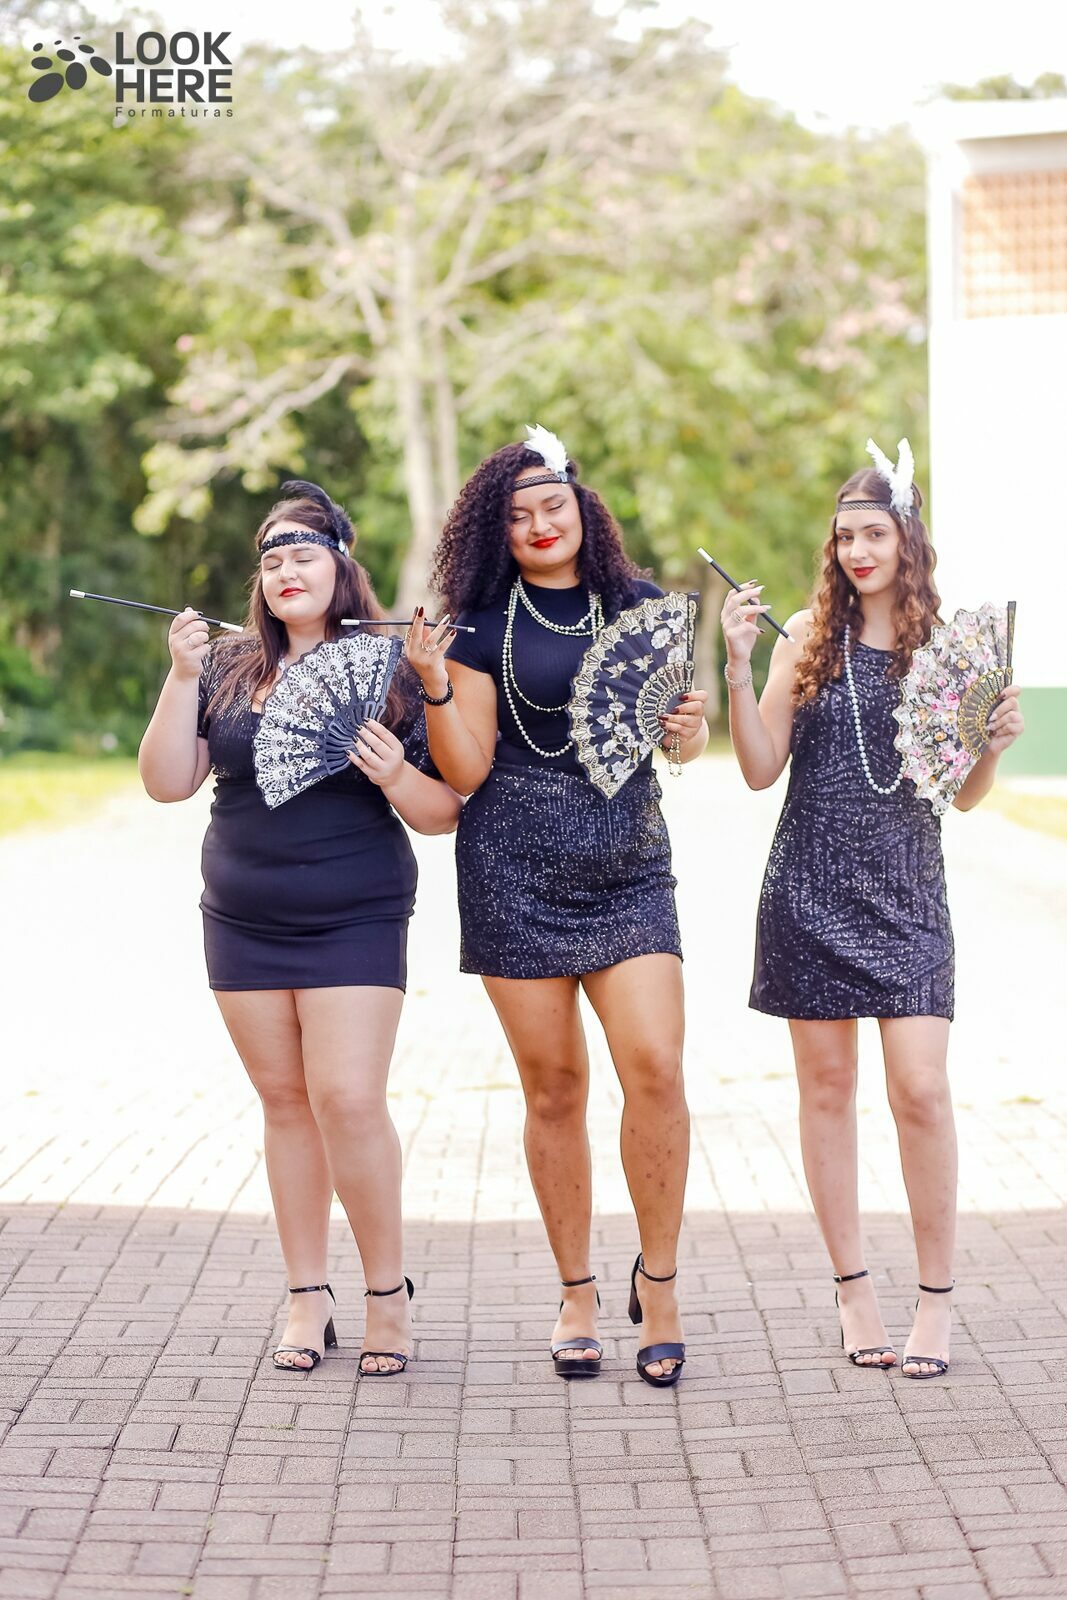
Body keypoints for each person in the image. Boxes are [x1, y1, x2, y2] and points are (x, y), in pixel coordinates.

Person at [404, 426, 709, 1388]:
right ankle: (576, 1292)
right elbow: (464, 772)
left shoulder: (640, 607)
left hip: (628, 865)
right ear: (495, 531)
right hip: (512, 868)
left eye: (553, 506)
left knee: (654, 1066)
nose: (539, 524)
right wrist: (433, 683)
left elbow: (680, 747)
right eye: (518, 514)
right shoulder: (475, 627)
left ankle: (658, 1282)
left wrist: (690, 726)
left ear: (583, 511)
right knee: (554, 1090)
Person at [138, 481, 461, 1376]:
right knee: (284, 1105)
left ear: (340, 570)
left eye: (303, 556)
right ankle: (305, 1295)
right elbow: (166, 782)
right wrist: (180, 677)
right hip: (241, 914)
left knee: (347, 1100)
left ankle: (387, 1294)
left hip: (355, 911)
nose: (286, 571)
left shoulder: (390, 668)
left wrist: (394, 773)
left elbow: (442, 814)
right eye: (272, 561)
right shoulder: (230, 666)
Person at [720, 440, 1024, 1379]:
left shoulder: (949, 654)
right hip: (807, 888)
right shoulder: (807, 636)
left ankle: (935, 1301)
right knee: (825, 1091)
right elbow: (758, 769)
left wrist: (993, 744)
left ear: (907, 542)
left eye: (873, 534)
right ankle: (853, 1292)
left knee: (920, 1091)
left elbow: (963, 799)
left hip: (907, 893)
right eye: (844, 535)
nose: (856, 550)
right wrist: (737, 667)